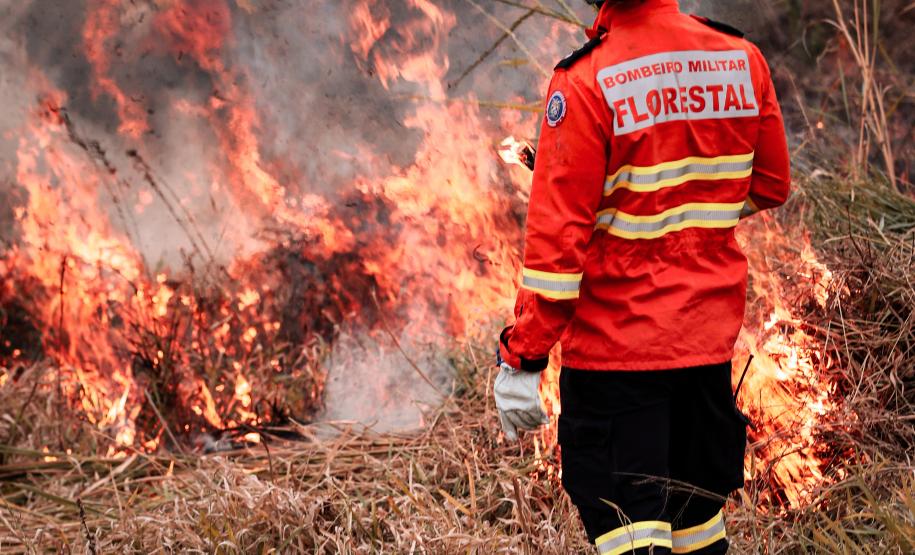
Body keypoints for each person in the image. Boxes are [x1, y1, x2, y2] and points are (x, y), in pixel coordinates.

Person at [493, 0, 791, 553]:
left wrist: (522, 358)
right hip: (705, 353)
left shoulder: (584, 82)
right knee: (697, 528)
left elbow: (557, 259)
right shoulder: (739, 57)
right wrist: (680, 218)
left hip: (617, 361)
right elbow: (770, 183)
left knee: (631, 536)